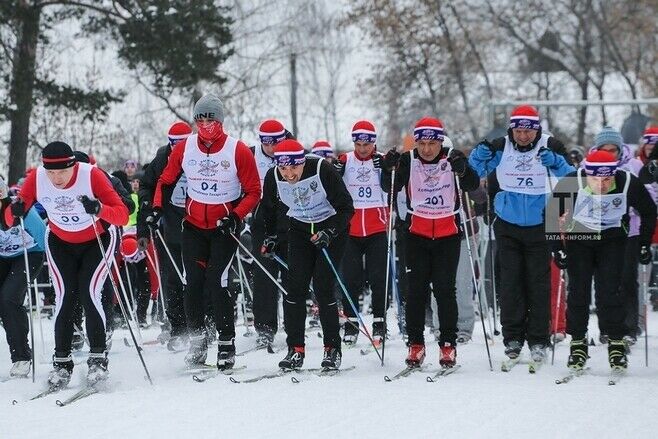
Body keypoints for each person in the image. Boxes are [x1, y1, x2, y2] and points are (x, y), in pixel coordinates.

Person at [6, 141, 129, 386]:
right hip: (61, 241)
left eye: (62, 171)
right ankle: (61, 363)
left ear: (73, 166)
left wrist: (98, 208)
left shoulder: (91, 176)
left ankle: (97, 360)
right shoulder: (37, 178)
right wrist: (16, 209)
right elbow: (10, 218)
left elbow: (122, 214)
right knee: (65, 297)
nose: (57, 178)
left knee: (89, 292)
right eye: (51, 172)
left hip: (98, 238)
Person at [152, 94, 261, 370]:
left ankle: (226, 343)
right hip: (193, 227)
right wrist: (155, 209)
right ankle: (199, 341)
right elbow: (165, 181)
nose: (205, 124)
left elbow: (253, 191)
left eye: (210, 118)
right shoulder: (185, 148)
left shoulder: (237, 150)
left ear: (220, 121)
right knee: (192, 284)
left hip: (223, 228)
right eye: (200, 119)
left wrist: (235, 216)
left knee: (217, 280)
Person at [468, 105, 574, 365]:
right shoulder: (501, 146)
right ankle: (513, 338)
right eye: (518, 131)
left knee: (538, 284)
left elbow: (572, 177)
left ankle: (538, 339)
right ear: (512, 129)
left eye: (528, 131)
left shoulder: (551, 144)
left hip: (540, 223)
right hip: (508, 223)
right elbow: (474, 174)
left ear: (536, 129)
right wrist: (478, 155)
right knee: (511, 283)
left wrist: (556, 162)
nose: (523, 136)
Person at [380, 117, 479, 368]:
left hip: (447, 234)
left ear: (439, 141)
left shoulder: (452, 158)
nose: (426, 149)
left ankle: (448, 345)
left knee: (445, 291)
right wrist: (387, 168)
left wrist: (464, 168)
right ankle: (416, 344)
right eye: (421, 143)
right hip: (417, 234)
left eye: (431, 143)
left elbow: (472, 185)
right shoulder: (408, 159)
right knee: (415, 291)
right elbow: (388, 187)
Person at [549, 150, 656, 372]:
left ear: (614, 173)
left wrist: (644, 243)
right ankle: (578, 343)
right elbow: (550, 214)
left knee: (610, 291)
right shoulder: (573, 180)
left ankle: (616, 341)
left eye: (607, 179)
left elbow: (649, 210)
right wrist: (557, 249)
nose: (601, 184)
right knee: (578, 291)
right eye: (595, 179)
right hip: (580, 240)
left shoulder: (627, 181)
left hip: (613, 242)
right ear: (587, 173)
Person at [260, 139, 353, 370]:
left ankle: (332, 349)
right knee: (295, 288)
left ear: (302, 162)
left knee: (322, 287)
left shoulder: (322, 169)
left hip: (331, 229)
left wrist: (329, 232)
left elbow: (346, 208)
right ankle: (295, 350)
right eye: (283, 168)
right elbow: (269, 209)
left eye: (293, 167)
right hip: (300, 229)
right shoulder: (273, 176)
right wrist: (271, 237)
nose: (289, 174)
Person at [588, 127, 653, 344]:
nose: (608, 154)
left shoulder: (633, 166)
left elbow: (650, 195)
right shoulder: (588, 167)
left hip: (629, 231)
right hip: (599, 232)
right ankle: (606, 328)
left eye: (612, 150)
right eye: (604, 150)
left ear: (620, 149)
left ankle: (629, 328)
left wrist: (632, 207)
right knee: (603, 281)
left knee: (626, 279)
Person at [138, 121, 192, 350]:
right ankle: (178, 328)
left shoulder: (202, 154)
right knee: (172, 280)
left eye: (182, 144)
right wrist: (146, 219)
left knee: (197, 278)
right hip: (168, 228)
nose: (178, 149)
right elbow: (145, 187)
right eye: (174, 145)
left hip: (197, 225)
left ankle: (202, 325)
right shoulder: (162, 157)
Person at [333, 120, 388, 346]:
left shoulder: (381, 159)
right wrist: (335, 172)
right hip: (352, 228)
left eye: (367, 144)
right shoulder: (346, 160)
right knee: (351, 279)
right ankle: (352, 324)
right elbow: (334, 185)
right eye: (358, 143)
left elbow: (391, 186)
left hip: (377, 227)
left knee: (378, 279)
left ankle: (379, 323)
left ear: (373, 142)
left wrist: (385, 168)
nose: (363, 148)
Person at [249, 119, 290, 348]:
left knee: (292, 274)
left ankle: (294, 325)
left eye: (277, 142)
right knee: (264, 276)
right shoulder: (250, 155)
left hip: (291, 222)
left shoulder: (295, 153)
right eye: (267, 143)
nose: (272, 148)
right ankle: (265, 328)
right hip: (261, 223)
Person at [0, 177, 46, 377]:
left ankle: (21, 358)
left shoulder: (17, 207)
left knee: (9, 298)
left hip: (29, 253)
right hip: (3, 256)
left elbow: (43, 235)